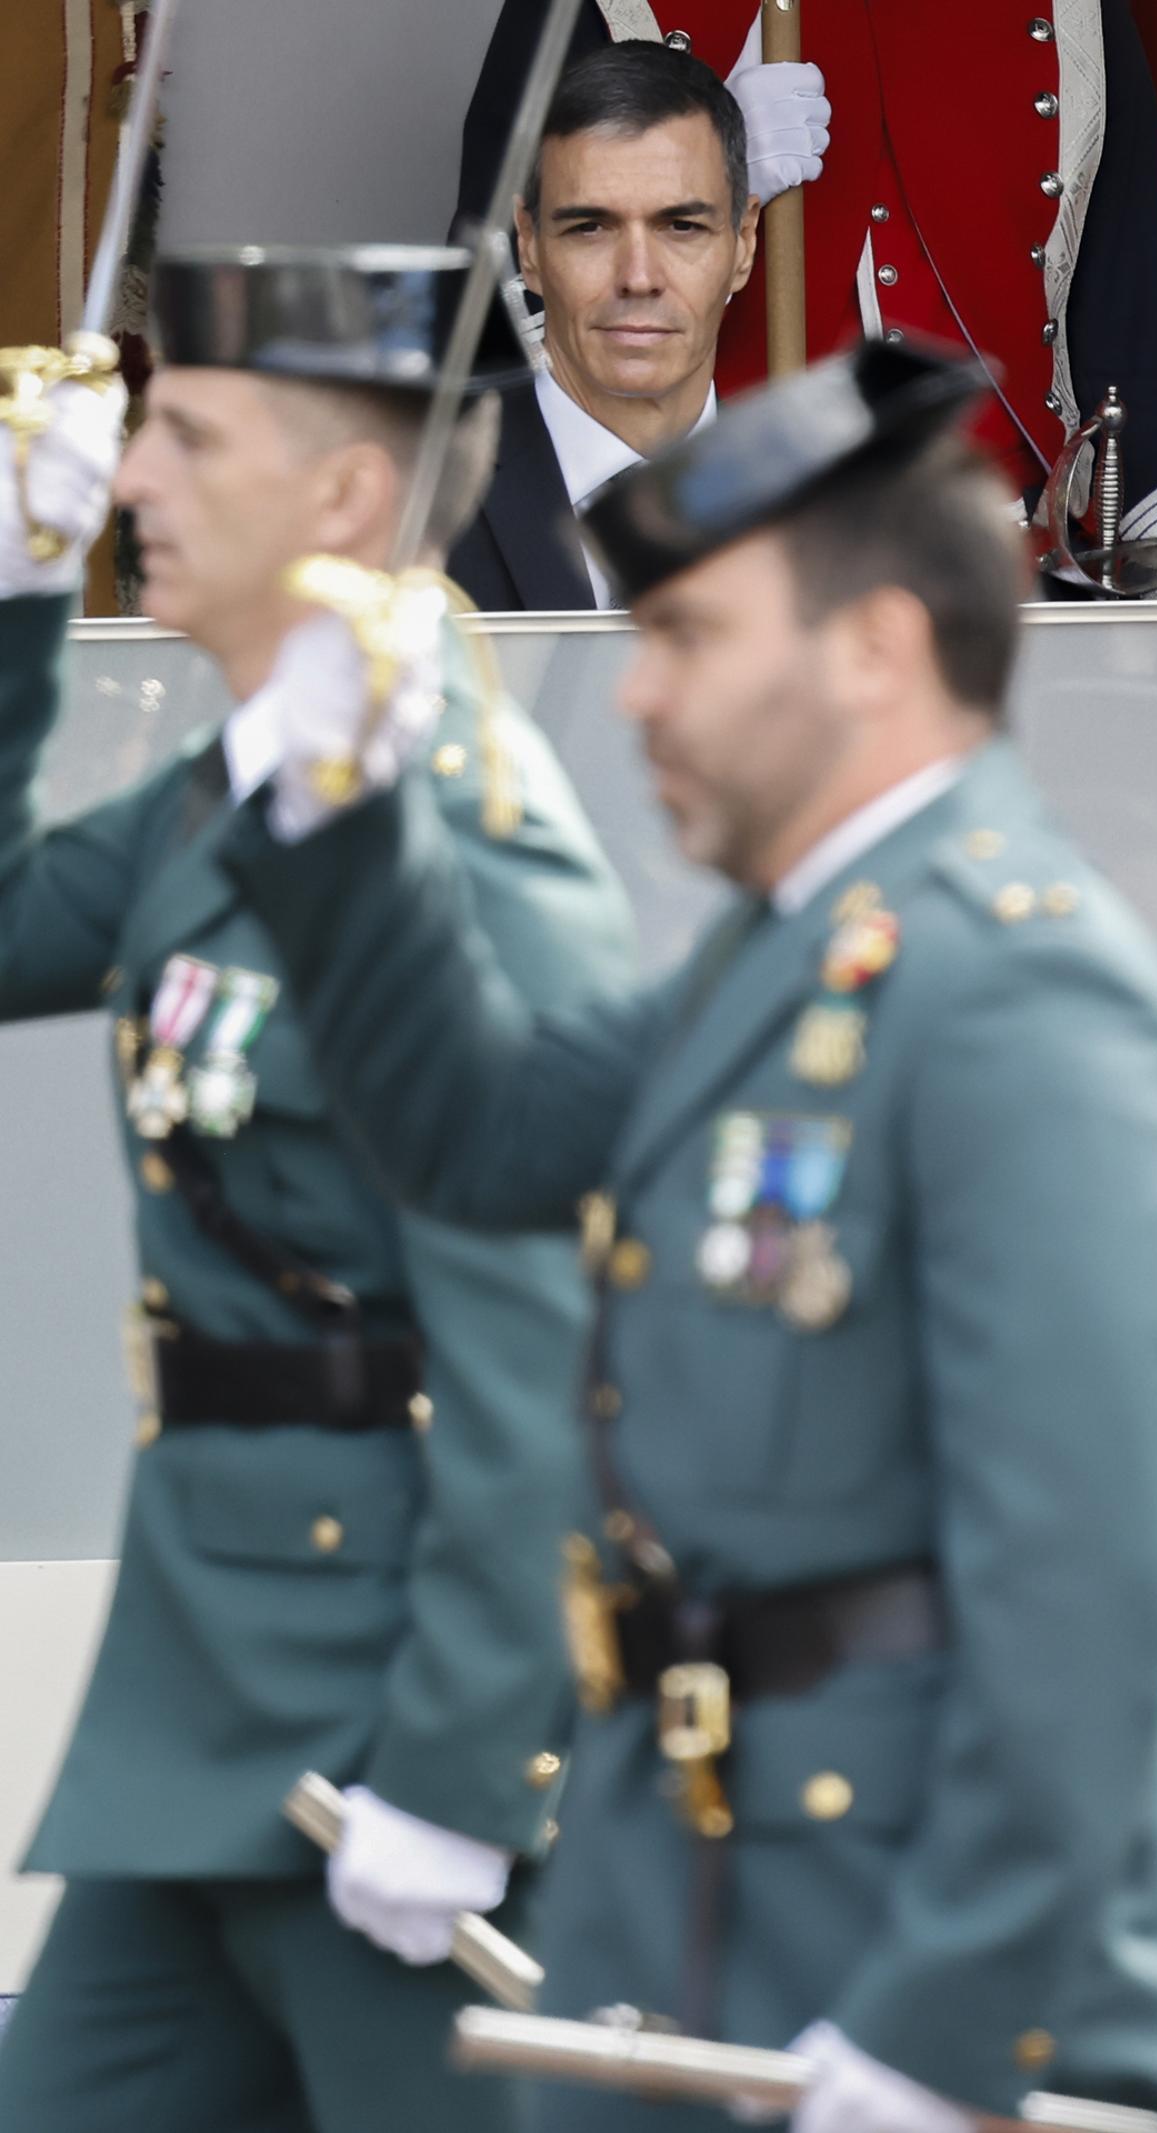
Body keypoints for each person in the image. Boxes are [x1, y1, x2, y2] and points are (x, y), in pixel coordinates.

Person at [224, 339, 1157, 2131]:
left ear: (876, 647)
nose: (641, 694)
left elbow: (1082, 1579)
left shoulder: (1015, 988)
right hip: (679, 1895)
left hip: (898, 1951)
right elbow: (477, 1134)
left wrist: (947, 2023)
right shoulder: (783, 949)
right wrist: (343, 810)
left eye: (688, 637)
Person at [0, 245, 635, 2133]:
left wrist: (462, 1771)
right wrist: (18, 603)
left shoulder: (466, 847)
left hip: (386, 1736)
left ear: (350, 494)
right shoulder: (241, 790)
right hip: (207, 1711)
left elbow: (540, 1358)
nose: (133, 476)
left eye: (191, 438)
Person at [457, 1, 1157, 583]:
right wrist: (702, 180)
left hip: (1000, 577)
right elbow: (497, 308)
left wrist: (1152, 583)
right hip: (714, 568)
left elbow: (1129, 313)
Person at [448, 41, 762, 611]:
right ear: (529, 246)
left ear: (744, 244)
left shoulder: (834, 518)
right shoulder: (411, 501)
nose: (638, 278)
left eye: (682, 227)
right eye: (590, 228)